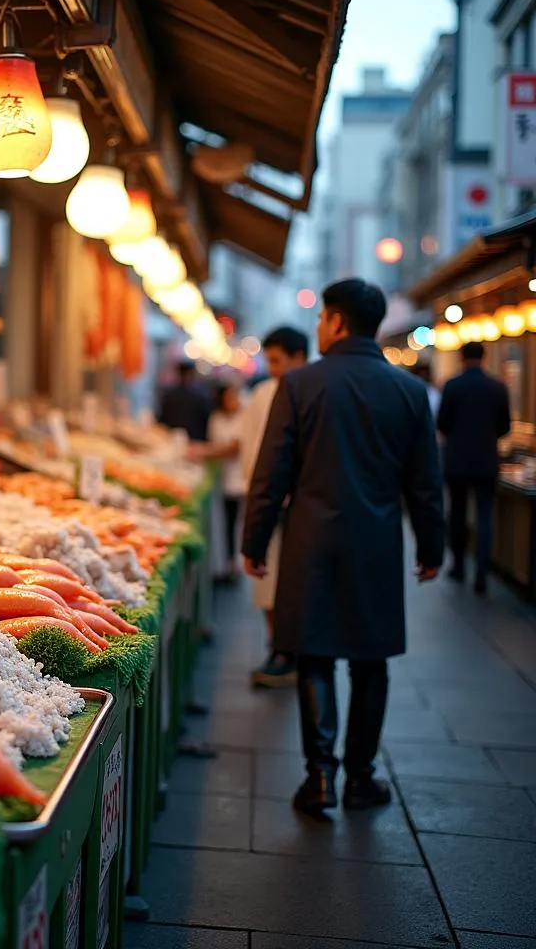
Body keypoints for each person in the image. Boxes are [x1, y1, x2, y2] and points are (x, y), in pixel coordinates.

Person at [242, 279, 444, 817]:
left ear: (334, 322)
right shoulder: (407, 391)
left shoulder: (300, 385)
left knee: (314, 656)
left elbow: (271, 474)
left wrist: (254, 541)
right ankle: (361, 777)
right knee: (370, 661)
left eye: (321, 318)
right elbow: (425, 482)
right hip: (377, 542)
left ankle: (320, 778)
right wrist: (432, 546)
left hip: (310, 539)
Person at [239, 326, 309, 688]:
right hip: (265, 501)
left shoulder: (313, 393)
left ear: (300, 357)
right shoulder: (262, 393)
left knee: (293, 584)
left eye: (279, 360)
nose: (273, 368)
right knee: (265, 585)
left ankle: (292, 650)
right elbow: (249, 450)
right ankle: (277, 648)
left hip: (299, 510)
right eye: (269, 360)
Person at [437, 341, 511, 595]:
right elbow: (505, 426)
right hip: (486, 461)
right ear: (484, 357)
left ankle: (458, 565)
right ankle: (482, 573)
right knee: (485, 517)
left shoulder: (453, 386)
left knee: (457, 514)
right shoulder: (497, 387)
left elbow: (442, 423)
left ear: (461, 358)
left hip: (457, 461)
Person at [205, 383, 245, 581]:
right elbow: (215, 444)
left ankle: (234, 565)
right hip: (221, 477)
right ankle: (223, 564)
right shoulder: (216, 418)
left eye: (235, 396)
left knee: (236, 522)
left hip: (239, 478)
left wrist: (204, 452)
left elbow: (234, 447)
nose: (232, 400)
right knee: (224, 522)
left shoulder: (244, 418)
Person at [157, 361, 212, 442]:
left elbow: (162, 420)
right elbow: (206, 422)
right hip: (196, 443)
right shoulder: (201, 395)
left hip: (171, 440)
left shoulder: (169, 394)